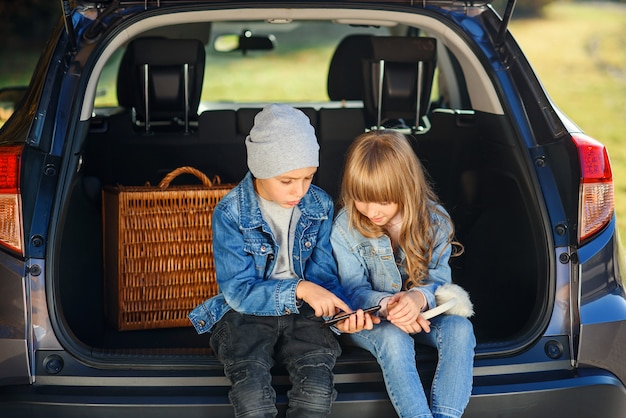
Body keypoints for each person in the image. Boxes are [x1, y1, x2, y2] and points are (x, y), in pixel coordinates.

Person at [189, 104, 378, 418]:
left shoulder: (319, 204)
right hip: (245, 314)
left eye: (308, 177)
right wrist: (300, 289)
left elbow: (324, 277)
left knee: (317, 394)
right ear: (261, 168)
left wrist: (338, 309)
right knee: (252, 399)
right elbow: (238, 291)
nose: (300, 190)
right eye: (287, 181)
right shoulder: (231, 212)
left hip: (305, 316)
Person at [330, 129, 476, 418]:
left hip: (421, 316)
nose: (371, 211)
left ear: (405, 188)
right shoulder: (345, 228)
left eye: (383, 200)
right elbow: (352, 291)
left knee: (461, 330)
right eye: (361, 198)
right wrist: (390, 306)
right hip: (369, 320)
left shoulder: (435, 222)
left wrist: (417, 299)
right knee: (394, 341)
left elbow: (440, 281)